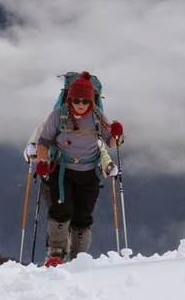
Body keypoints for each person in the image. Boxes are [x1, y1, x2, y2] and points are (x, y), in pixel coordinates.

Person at [33, 72, 124, 266]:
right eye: (76, 100)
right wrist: (42, 161)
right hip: (62, 171)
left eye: (84, 100)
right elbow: (44, 141)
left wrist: (117, 134)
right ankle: (56, 253)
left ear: (91, 100)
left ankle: (78, 258)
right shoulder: (58, 115)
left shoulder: (98, 117)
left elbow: (112, 143)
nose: (80, 104)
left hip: (89, 172)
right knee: (61, 210)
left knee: (83, 217)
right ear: (69, 98)